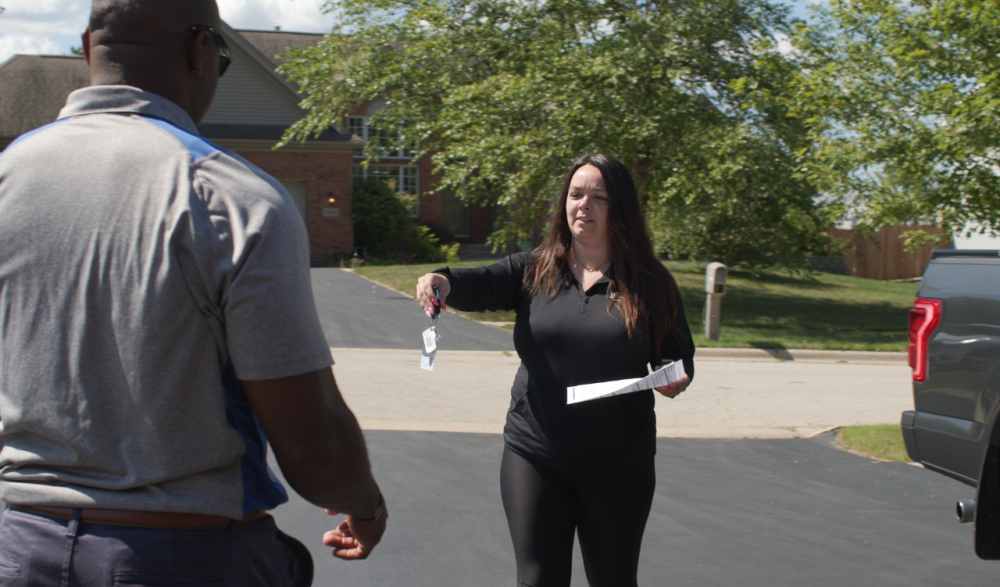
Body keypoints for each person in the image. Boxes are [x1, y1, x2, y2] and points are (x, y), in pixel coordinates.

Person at [0, 1, 386, 584]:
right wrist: (365, 504)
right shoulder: (230, 197)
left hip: (19, 547)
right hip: (181, 554)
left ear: (87, 50)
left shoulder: (9, 176)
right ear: (199, 51)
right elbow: (311, 444)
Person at [416, 154, 695, 587]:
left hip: (619, 464)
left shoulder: (651, 282)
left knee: (614, 580)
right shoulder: (533, 270)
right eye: (576, 194)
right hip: (535, 454)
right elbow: (480, 282)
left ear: (620, 208)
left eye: (599, 197)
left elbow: (675, 356)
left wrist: (672, 377)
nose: (584, 204)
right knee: (538, 580)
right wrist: (441, 280)